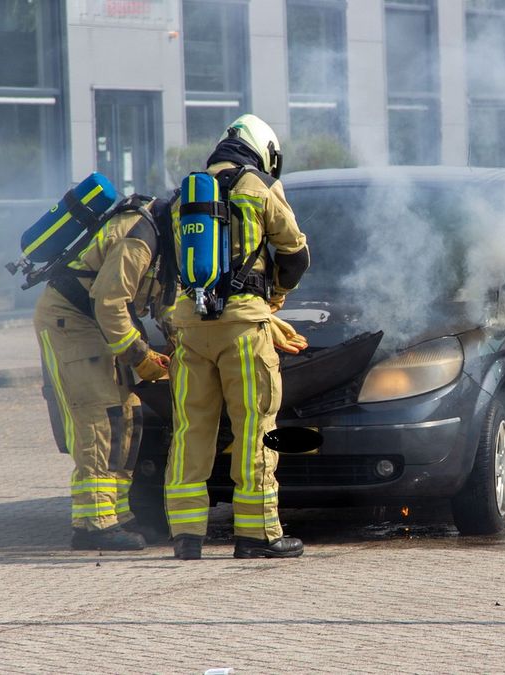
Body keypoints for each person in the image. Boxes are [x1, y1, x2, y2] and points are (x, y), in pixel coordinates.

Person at [164, 114, 310, 560]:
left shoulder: (184, 196)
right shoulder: (257, 187)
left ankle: (186, 537)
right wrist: (275, 299)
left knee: (191, 428)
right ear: (263, 149)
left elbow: (175, 267)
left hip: (191, 326)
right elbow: (295, 253)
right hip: (244, 328)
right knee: (254, 426)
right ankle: (258, 534)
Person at [34, 195, 176, 550]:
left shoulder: (162, 240)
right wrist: (140, 355)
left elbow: (160, 303)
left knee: (127, 417)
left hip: (96, 324)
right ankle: (94, 524)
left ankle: (118, 514)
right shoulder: (139, 239)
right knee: (99, 419)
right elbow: (109, 302)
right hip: (71, 324)